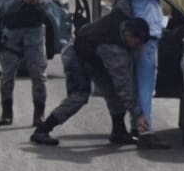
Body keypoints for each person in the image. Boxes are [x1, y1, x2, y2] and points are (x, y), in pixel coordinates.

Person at [30, 10, 151, 146]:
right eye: (136, 44)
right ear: (128, 34)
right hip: (76, 56)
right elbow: (123, 86)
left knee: (113, 92)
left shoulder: (123, 21)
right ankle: (42, 130)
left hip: (94, 57)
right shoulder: (113, 49)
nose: (138, 48)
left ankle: (119, 132)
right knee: (79, 96)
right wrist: (138, 115)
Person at [116, 0, 180, 149]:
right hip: (147, 37)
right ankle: (146, 131)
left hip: (139, 35)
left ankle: (137, 126)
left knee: (136, 85)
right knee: (145, 87)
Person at [0, 0, 50, 127]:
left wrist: (36, 0)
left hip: (34, 30)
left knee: (38, 74)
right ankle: (6, 111)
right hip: (12, 32)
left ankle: (39, 114)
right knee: (8, 74)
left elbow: (48, 3)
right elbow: (3, 8)